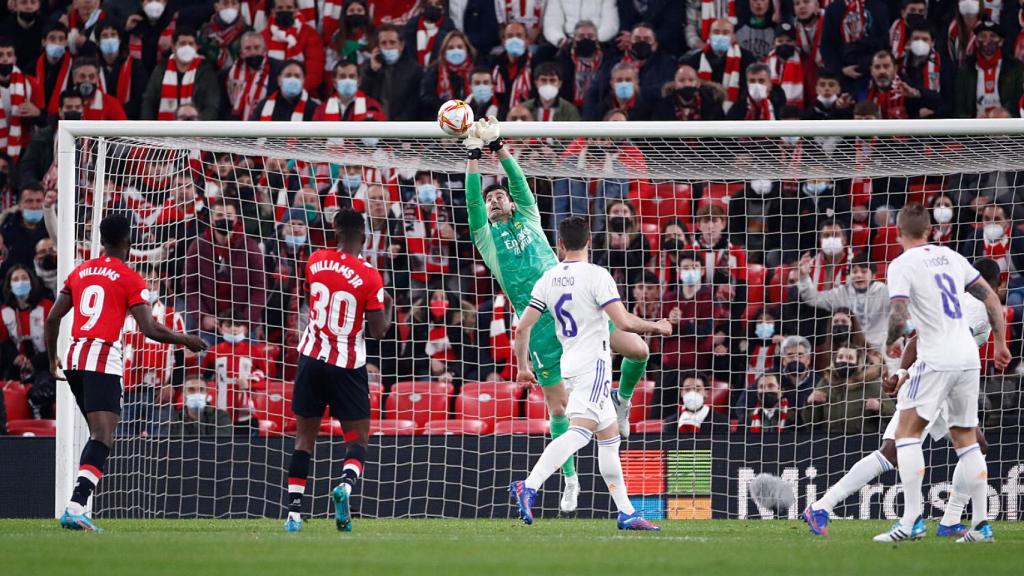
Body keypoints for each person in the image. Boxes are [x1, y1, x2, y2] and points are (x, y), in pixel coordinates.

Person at [463, 117, 654, 513]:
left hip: (577, 310)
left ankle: (621, 400)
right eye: (490, 198)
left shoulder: (530, 218)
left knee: (639, 350)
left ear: (513, 203)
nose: (495, 200)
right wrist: (473, 156)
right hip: (539, 329)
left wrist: (498, 147)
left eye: (500, 196)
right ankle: (570, 480)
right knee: (560, 409)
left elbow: (518, 183)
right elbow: (472, 202)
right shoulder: (486, 239)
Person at [805, 257, 1003, 539]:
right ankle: (822, 506)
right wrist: (904, 374)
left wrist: (900, 373)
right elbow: (923, 341)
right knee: (892, 453)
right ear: (998, 283)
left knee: (975, 445)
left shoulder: (960, 301)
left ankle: (949, 520)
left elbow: (916, 339)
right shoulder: (977, 304)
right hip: (930, 382)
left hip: (943, 384)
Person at [44, 214, 206, 531]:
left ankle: (77, 506)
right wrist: (185, 339)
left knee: (98, 435)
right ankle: (75, 507)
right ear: (128, 241)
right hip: (103, 358)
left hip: (75, 358)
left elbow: (52, 319)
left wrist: (52, 360)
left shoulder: (80, 271)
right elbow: (150, 329)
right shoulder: (129, 278)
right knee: (103, 436)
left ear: (103, 240)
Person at [509, 215, 668, 531]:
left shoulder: (548, 278)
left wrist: (523, 368)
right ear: (590, 241)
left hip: (570, 365)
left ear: (560, 245)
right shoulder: (597, 275)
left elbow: (522, 328)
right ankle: (530, 484)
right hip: (594, 366)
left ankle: (626, 511)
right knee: (580, 434)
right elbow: (623, 322)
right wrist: (657, 326)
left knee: (609, 438)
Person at [868, 204, 1008, 543]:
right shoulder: (952, 257)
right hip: (968, 359)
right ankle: (980, 525)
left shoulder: (902, 264)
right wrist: (1001, 343)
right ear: (930, 230)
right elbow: (991, 298)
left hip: (936, 357)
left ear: (898, 233)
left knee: (906, 434)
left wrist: (889, 341)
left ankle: (911, 521)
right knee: (967, 440)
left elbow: (899, 315)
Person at [283, 207, 393, 533]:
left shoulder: (315, 261)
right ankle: (344, 485)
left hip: (311, 359)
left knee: (304, 440)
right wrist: (387, 305)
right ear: (364, 237)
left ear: (335, 231)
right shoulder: (370, 275)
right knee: (357, 440)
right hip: (347, 365)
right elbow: (378, 330)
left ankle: (294, 515)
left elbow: (312, 299)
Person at [797, 251, 890, 358]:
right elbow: (813, 299)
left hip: (880, 350)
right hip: (849, 352)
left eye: (864, 272)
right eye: (854, 272)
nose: (858, 275)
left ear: (873, 276)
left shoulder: (884, 291)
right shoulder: (841, 293)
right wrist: (803, 277)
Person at [141, 28, 222, 121]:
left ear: (196, 47)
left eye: (191, 44)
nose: (187, 48)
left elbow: (212, 105)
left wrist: (196, 124)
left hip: (195, 127)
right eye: (183, 43)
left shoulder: (206, 71)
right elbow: (149, 101)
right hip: (164, 127)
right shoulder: (161, 69)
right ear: (173, 47)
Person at [360, 23, 423, 122]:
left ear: (401, 45)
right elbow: (363, 96)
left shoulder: (414, 69)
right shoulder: (368, 67)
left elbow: (415, 103)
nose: (388, 47)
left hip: (404, 126)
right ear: (378, 46)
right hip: (375, 124)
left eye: (392, 42)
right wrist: (372, 71)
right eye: (383, 43)